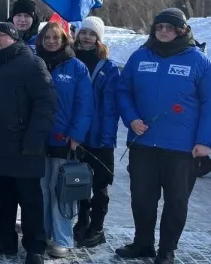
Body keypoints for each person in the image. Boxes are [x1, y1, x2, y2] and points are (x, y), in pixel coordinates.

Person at [115, 8, 211, 264]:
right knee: (142, 198)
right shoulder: (140, 56)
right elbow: (123, 91)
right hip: (143, 143)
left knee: (176, 202)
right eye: (159, 27)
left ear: (182, 30)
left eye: (170, 27)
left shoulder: (199, 61)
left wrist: (205, 141)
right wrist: (131, 118)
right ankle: (143, 244)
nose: (164, 31)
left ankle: (166, 250)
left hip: (181, 148)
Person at [0, 22, 56, 264]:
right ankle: (5, 239)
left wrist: (35, 138)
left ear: (14, 38)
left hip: (24, 144)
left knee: (30, 199)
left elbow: (46, 102)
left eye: (2, 35)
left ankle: (35, 247)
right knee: (2, 196)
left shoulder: (31, 63)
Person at [35, 22, 93, 258]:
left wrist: (77, 134)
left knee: (60, 189)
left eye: (55, 37)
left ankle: (62, 238)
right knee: (41, 189)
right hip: (38, 137)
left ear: (64, 40)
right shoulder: (33, 63)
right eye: (46, 37)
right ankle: (43, 233)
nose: (51, 41)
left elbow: (84, 104)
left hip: (64, 137)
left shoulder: (76, 67)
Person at [72, 16, 121, 248]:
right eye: (84, 32)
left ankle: (97, 227)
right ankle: (81, 221)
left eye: (92, 34)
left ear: (99, 38)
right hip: (77, 133)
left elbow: (111, 106)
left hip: (99, 135)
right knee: (78, 180)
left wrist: (107, 137)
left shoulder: (108, 68)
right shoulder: (70, 60)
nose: (87, 37)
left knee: (100, 184)